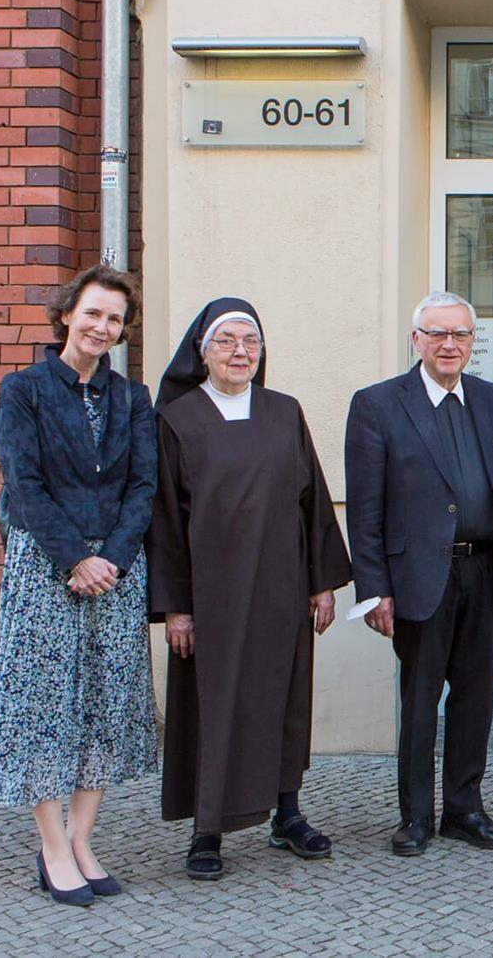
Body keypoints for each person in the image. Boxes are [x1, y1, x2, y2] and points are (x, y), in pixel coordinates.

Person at [148, 298, 353, 881]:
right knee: (214, 705)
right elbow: (163, 519)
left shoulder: (284, 412)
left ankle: (286, 814)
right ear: (202, 351)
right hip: (211, 597)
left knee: (283, 699)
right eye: (227, 341)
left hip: (281, 587)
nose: (241, 352)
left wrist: (321, 585)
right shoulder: (177, 420)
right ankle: (207, 830)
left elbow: (312, 501)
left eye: (251, 343)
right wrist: (177, 608)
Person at [0, 265, 158, 907]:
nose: (102, 327)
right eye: (93, 314)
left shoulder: (133, 399)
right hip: (45, 567)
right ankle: (52, 848)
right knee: (44, 708)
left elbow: (143, 487)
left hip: (116, 572)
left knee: (103, 708)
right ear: (66, 315)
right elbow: (23, 486)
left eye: (114, 319)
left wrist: (109, 558)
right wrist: (74, 560)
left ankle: (83, 840)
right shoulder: (23, 389)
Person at [344, 292, 493, 855]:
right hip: (420, 578)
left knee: (475, 698)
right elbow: (365, 507)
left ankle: (465, 809)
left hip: (486, 572)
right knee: (421, 700)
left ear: (474, 343)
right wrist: (374, 590)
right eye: (438, 334)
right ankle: (416, 815)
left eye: (461, 335)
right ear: (416, 339)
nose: (450, 345)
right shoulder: (378, 404)